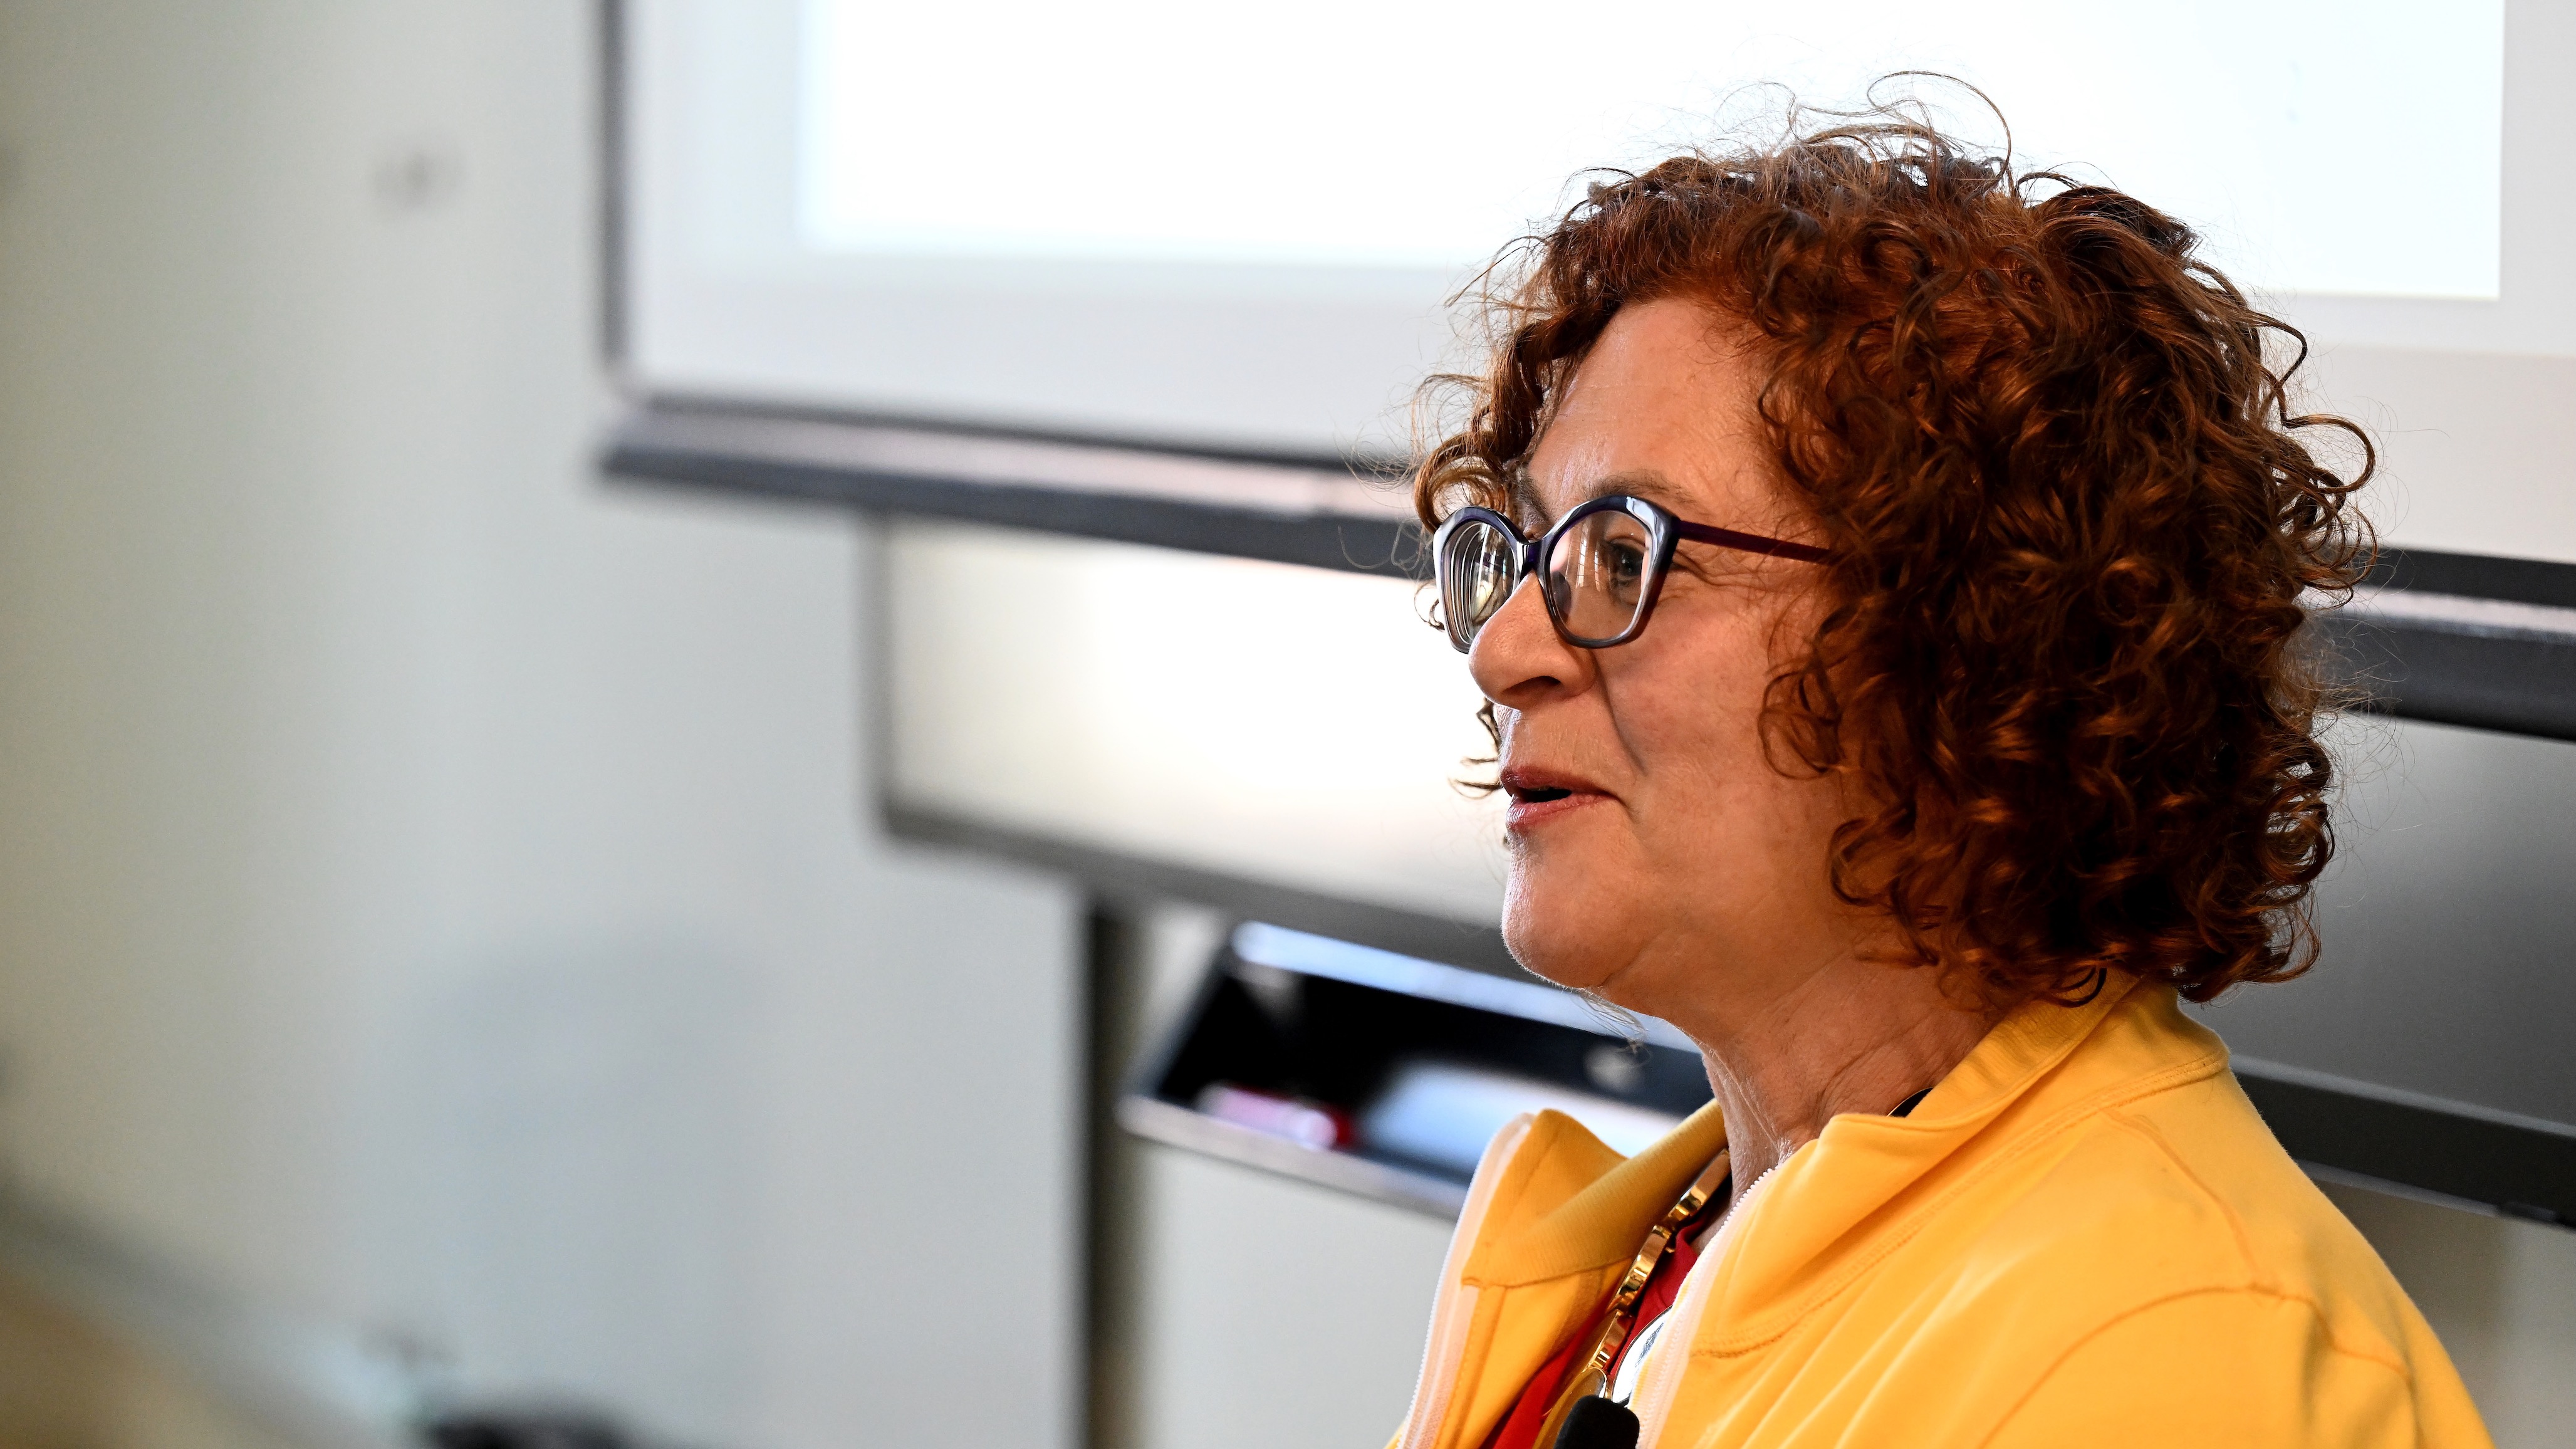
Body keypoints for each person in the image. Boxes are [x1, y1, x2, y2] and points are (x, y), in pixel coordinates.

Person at [1388, 102, 2493, 1449]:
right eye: (1521, 550)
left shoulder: (2182, 1349)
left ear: (1972, 632)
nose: (1503, 650)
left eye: (1623, 555)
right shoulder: (1643, 1254)